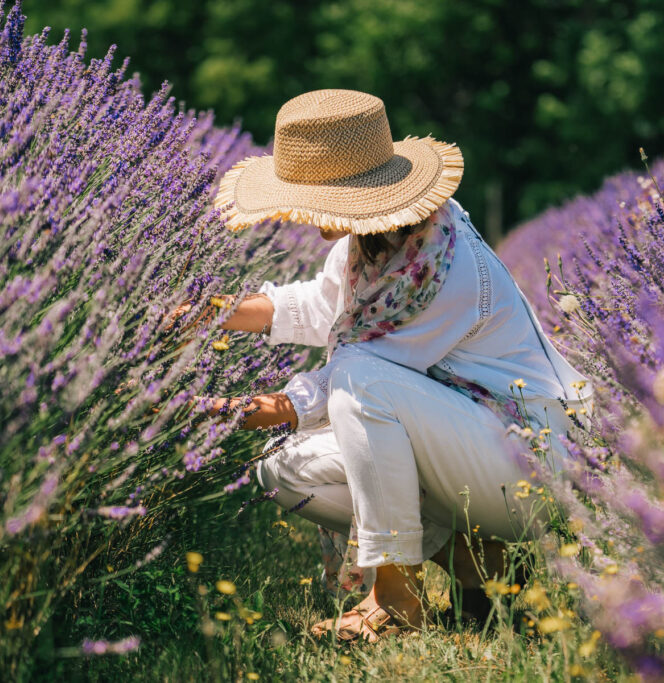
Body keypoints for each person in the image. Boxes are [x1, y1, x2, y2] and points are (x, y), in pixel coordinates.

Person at [190, 89, 594, 642]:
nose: (303, 215)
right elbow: (318, 306)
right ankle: (482, 566)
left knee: (359, 381)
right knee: (282, 465)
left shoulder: (445, 268)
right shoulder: (374, 244)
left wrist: (240, 410)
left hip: (527, 463)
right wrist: (210, 315)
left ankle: (395, 595)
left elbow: (355, 376)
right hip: (468, 447)